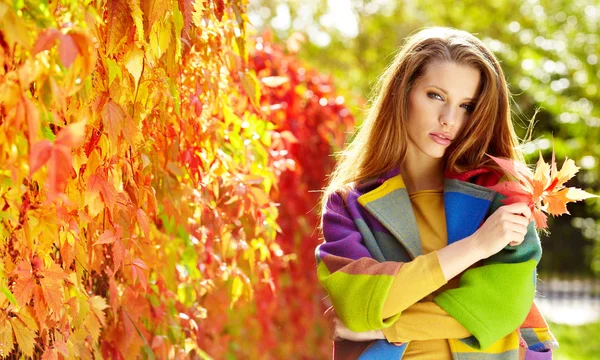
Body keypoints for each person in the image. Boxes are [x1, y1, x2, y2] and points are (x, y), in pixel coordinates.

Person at [315, 27, 559, 360]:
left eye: (467, 106)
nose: (449, 119)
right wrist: (476, 247)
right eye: (436, 95)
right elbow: (358, 305)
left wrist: (386, 327)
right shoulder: (348, 205)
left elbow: (500, 308)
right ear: (404, 93)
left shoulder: (503, 196)